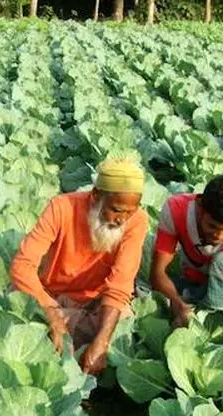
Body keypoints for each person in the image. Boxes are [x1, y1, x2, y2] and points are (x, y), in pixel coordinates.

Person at [9, 156, 149, 375]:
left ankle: (79, 349)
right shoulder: (61, 207)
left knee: (123, 322)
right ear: (95, 196)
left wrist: (102, 342)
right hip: (53, 297)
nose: (122, 219)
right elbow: (22, 266)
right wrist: (52, 313)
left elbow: (120, 286)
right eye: (116, 210)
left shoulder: (137, 222)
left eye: (129, 212)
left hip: (94, 304)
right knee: (22, 317)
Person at [149, 175, 223, 377]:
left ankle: (221, 328)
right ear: (199, 207)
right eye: (212, 226)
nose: (219, 236)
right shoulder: (176, 209)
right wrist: (177, 303)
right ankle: (194, 312)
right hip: (193, 282)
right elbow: (157, 273)